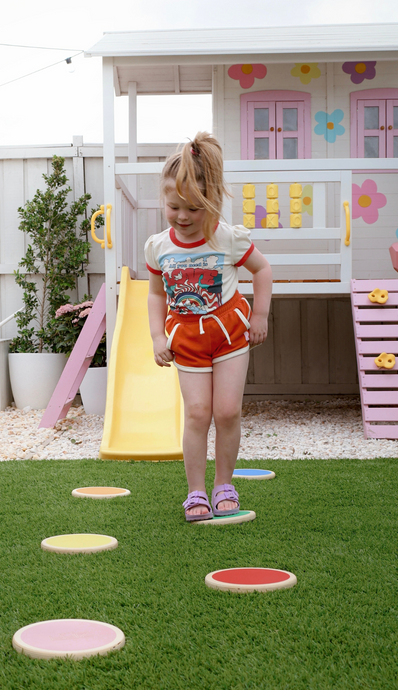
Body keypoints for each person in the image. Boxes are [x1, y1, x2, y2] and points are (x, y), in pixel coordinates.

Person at [145, 132, 273, 522]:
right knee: (198, 412)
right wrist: (156, 337)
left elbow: (262, 270)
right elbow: (155, 295)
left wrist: (260, 315)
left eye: (193, 209)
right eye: (173, 207)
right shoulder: (158, 247)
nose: (182, 217)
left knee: (227, 411)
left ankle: (224, 485)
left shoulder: (226, 239)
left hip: (230, 333)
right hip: (187, 338)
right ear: (164, 202)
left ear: (211, 202)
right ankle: (196, 493)